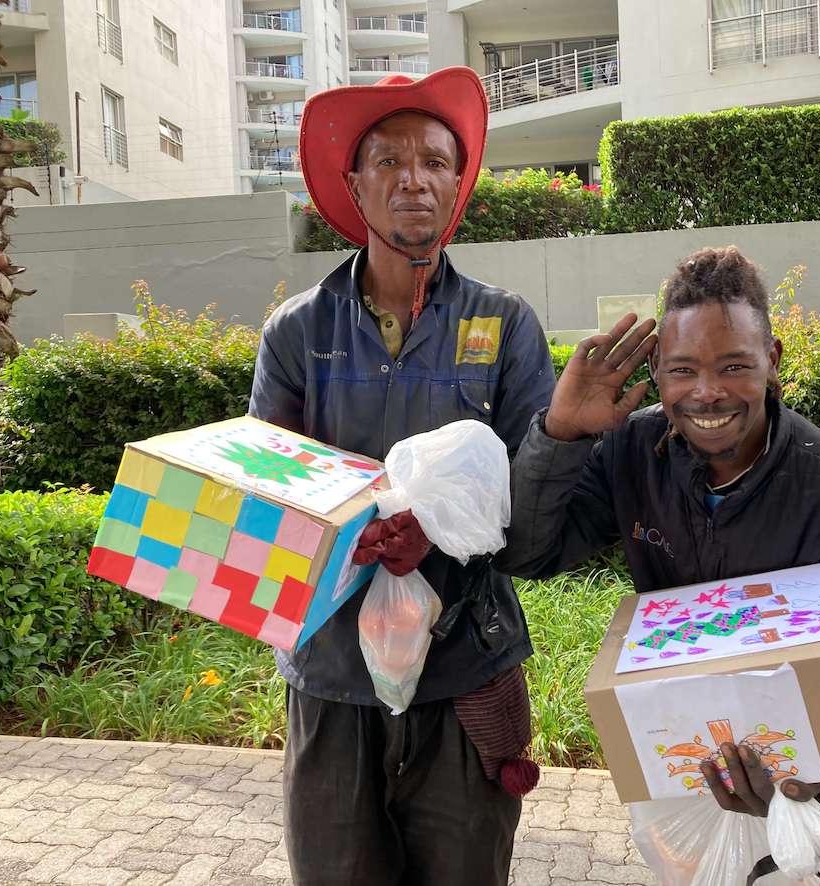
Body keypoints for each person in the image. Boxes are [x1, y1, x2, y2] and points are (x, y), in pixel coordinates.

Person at [497, 246, 820, 886]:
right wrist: (560, 433)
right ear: (659, 376)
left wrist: (801, 776)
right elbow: (530, 553)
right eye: (682, 370)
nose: (707, 392)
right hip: (699, 776)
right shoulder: (635, 453)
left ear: (772, 363)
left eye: (734, 366)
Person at [248, 67, 555, 886]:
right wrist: (356, 530)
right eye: (387, 161)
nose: (412, 179)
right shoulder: (296, 332)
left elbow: (536, 487)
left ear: (458, 182)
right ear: (353, 186)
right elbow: (266, 485)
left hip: (465, 665)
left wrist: (442, 528)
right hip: (331, 673)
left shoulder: (505, 322)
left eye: (433, 161)